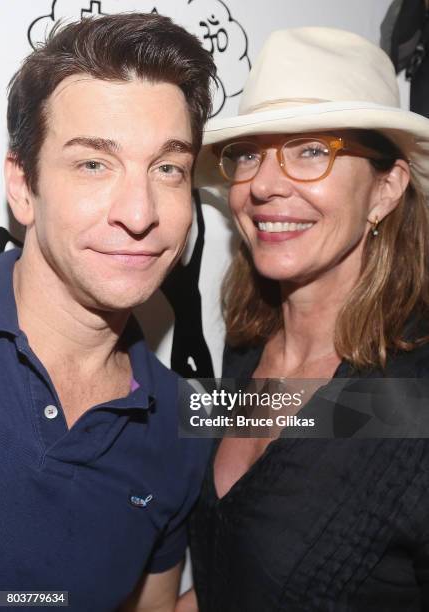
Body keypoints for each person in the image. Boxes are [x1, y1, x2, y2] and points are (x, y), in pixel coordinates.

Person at [181, 27, 429, 611]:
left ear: (386, 188)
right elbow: (234, 570)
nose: (264, 184)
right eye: (249, 154)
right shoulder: (245, 350)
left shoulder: (415, 398)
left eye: (312, 150)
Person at [0, 13, 215, 612]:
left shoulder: (182, 424)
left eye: (168, 168)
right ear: (22, 184)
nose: (140, 212)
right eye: (94, 163)